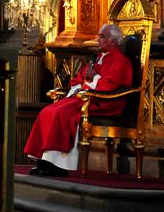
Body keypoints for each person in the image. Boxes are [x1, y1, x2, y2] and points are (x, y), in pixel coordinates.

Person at [24, 24, 132, 177]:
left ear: (114, 41)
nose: (98, 39)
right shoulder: (99, 58)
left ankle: (59, 166)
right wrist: (84, 81)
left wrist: (94, 77)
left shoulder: (121, 61)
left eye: (102, 37)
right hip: (87, 97)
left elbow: (111, 86)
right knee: (47, 111)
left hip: (105, 103)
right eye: (99, 36)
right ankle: (44, 160)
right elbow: (80, 77)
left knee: (61, 113)